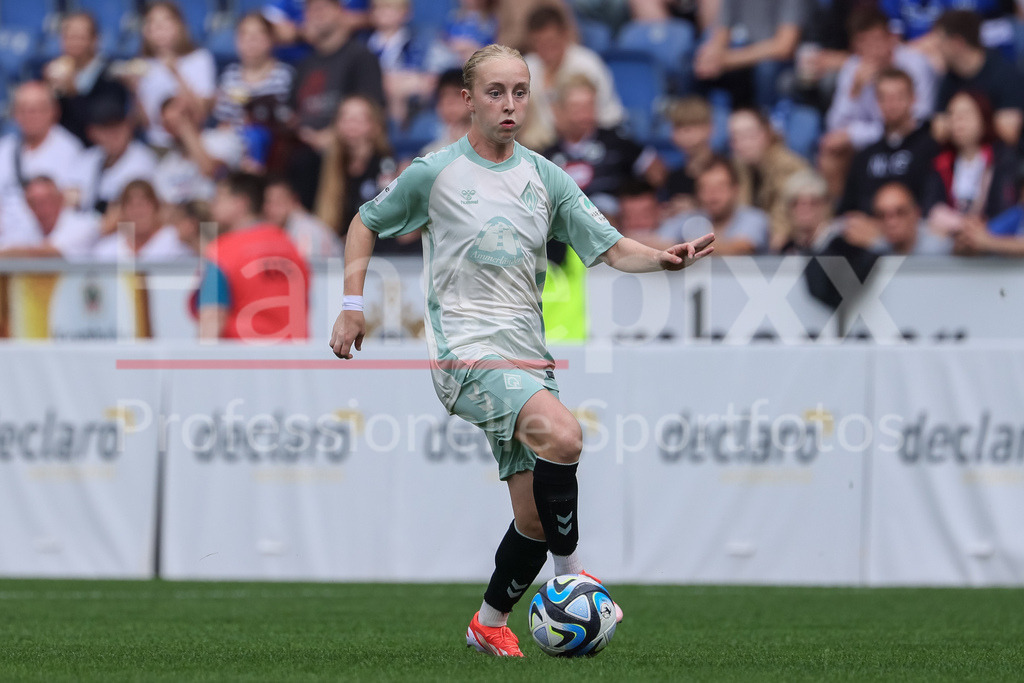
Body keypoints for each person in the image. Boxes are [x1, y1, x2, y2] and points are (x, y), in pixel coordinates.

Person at [328, 44, 714, 658]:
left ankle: (488, 623)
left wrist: (663, 258)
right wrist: (352, 305)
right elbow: (364, 222)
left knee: (534, 517)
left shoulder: (545, 177)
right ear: (467, 100)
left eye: (520, 91)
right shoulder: (435, 172)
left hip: (527, 357)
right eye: (495, 92)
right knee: (565, 435)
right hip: (464, 353)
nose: (509, 104)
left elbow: (613, 247)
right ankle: (573, 579)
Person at [289, 0, 385, 208]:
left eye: (324, 6)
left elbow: (372, 109)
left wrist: (333, 135)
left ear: (340, 12)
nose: (318, 13)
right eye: (312, 9)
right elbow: (292, 113)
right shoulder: (304, 64)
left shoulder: (360, 56)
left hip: (346, 147)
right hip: (305, 151)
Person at [196, 172, 311, 341]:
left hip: (241, 352)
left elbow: (211, 319)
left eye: (219, 198)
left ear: (241, 203)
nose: (213, 205)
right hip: (292, 351)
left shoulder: (222, 250)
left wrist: (200, 353)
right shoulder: (290, 245)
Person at [541, 75, 663, 217]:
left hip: (614, 222)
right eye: (576, 107)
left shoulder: (617, 142)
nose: (584, 114)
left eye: (589, 105)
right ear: (558, 111)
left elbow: (657, 173)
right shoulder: (546, 158)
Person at [822, 6, 935, 154]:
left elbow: (921, 118)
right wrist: (854, 91)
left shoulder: (915, 63)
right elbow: (835, 126)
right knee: (831, 150)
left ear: (891, 38)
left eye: (876, 40)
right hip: (870, 144)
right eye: (863, 43)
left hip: (911, 140)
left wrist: (855, 134)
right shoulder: (853, 68)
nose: (871, 49)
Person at [835, 68, 943, 217]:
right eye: (884, 97)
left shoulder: (930, 148)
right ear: (876, 102)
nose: (891, 104)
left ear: (913, 99)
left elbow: (933, 203)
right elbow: (848, 209)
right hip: (869, 228)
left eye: (898, 97)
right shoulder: (864, 156)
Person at [519, 5, 624, 151]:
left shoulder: (588, 64)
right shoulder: (526, 66)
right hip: (544, 147)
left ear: (565, 35)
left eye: (550, 41)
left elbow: (599, 118)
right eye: (539, 43)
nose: (545, 49)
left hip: (596, 139)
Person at [0, 82, 85, 247]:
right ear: (15, 114)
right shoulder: (4, 149)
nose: (30, 116)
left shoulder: (70, 150)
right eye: (23, 110)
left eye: (37, 109)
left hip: (46, 247)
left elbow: (72, 205)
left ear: (54, 111)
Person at [129, 2, 217, 149]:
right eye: (152, 23)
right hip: (156, 145)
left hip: (192, 145)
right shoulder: (142, 65)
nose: (159, 28)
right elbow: (145, 123)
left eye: (166, 21)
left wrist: (175, 72)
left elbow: (202, 113)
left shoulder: (200, 58)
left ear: (180, 25)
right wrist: (134, 90)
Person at [932, 10, 1024, 147]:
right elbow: (938, 132)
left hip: (1000, 157)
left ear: (957, 43)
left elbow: (1009, 133)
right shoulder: (948, 79)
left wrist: (964, 120)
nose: (936, 48)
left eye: (940, 42)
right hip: (962, 157)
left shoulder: (1004, 73)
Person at [694, 0, 808, 109]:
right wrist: (712, 55)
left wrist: (728, 59)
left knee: (767, 68)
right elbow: (722, 31)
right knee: (697, 57)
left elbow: (784, 47)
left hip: (772, 59)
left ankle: (766, 115)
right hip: (737, 50)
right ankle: (700, 116)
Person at [929, 90, 1018, 228]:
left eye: (965, 114)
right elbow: (931, 207)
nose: (958, 121)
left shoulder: (1002, 158)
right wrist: (961, 225)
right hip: (951, 234)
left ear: (983, 117)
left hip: (994, 233)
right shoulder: (941, 162)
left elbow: (1007, 207)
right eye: (952, 114)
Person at [314, 95, 398, 240]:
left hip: (377, 245)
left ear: (375, 125)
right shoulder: (324, 163)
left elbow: (389, 219)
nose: (351, 124)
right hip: (335, 244)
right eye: (345, 118)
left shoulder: (386, 164)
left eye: (359, 119)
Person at [42, 11, 129, 147]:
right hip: (61, 148)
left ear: (94, 40)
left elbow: (104, 122)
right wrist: (46, 92)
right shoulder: (55, 70)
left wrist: (73, 92)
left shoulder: (111, 74)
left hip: (96, 149)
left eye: (80, 37)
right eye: (69, 37)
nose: (74, 43)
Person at [727, 108, 810, 250]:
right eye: (736, 138)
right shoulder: (738, 167)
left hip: (789, 246)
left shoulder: (788, 167)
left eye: (749, 135)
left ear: (767, 133)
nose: (743, 144)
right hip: (755, 243)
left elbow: (783, 225)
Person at [658, 156, 770, 255]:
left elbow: (740, 248)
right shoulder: (689, 218)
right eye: (705, 189)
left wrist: (682, 247)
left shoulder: (754, 218)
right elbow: (656, 244)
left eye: (720, 188)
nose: (713, 196)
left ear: (735, 189)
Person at [153, 96, 245, 205]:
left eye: (184, 114)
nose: (175, 124)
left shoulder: (222, 139)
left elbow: (210, 169)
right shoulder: (165, 166)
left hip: (215, 212)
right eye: (169, 123)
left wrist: (184, 127)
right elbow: (168, 206)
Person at [213, 13, 295, 131]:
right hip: (233, 138)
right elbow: (223, 122)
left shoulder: (285, 75)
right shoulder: (229, 75)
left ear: (271, 38)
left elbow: (290, 120)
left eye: (258, 34)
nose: (250, 40)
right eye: (244, 34)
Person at [79, 97, 159, 215]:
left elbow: (134, 214)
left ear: (128, 125)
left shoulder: (142, 161)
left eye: (118, 125)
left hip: (126, 225)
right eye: (106, 128)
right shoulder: (88, 158)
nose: (114, 134)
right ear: (92, 132)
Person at [92, 180, 192, 262]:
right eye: (132, 206)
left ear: (156, 208)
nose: (138, 212)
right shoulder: (107, 250)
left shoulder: (174, 241)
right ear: (122, 211)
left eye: (143, 204)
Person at [0, 176, 99, 258]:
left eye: (45, 201)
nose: (40, 209)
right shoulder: (27, 226)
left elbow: (52, 253)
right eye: (33, 203)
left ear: (60, 198)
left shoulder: (83, 225)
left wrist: (10, 253)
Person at [662, 95, 715, 216]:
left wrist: (696, 208)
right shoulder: (674, 177)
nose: (683, 135)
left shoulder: (726, 169)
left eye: (690, 127)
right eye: (677, 127)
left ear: (709, 128)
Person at [265, 176, 341, 258]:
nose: (272, 209)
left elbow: (308, 264)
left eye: (278, 202)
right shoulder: (288, 226)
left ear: (294, 201)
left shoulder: (305, 228)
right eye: (269, 202)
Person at [777, 169, 833, 254]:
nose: (804, 209)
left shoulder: (839, 245)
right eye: (796, 203)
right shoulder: (786, 249)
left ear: (825, 207)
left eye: (813, 203)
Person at [421, 68, 473, 155]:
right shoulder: (431, 153)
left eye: (457, 94)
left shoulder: (491, 147)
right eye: (443, 95)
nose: (448, 101)